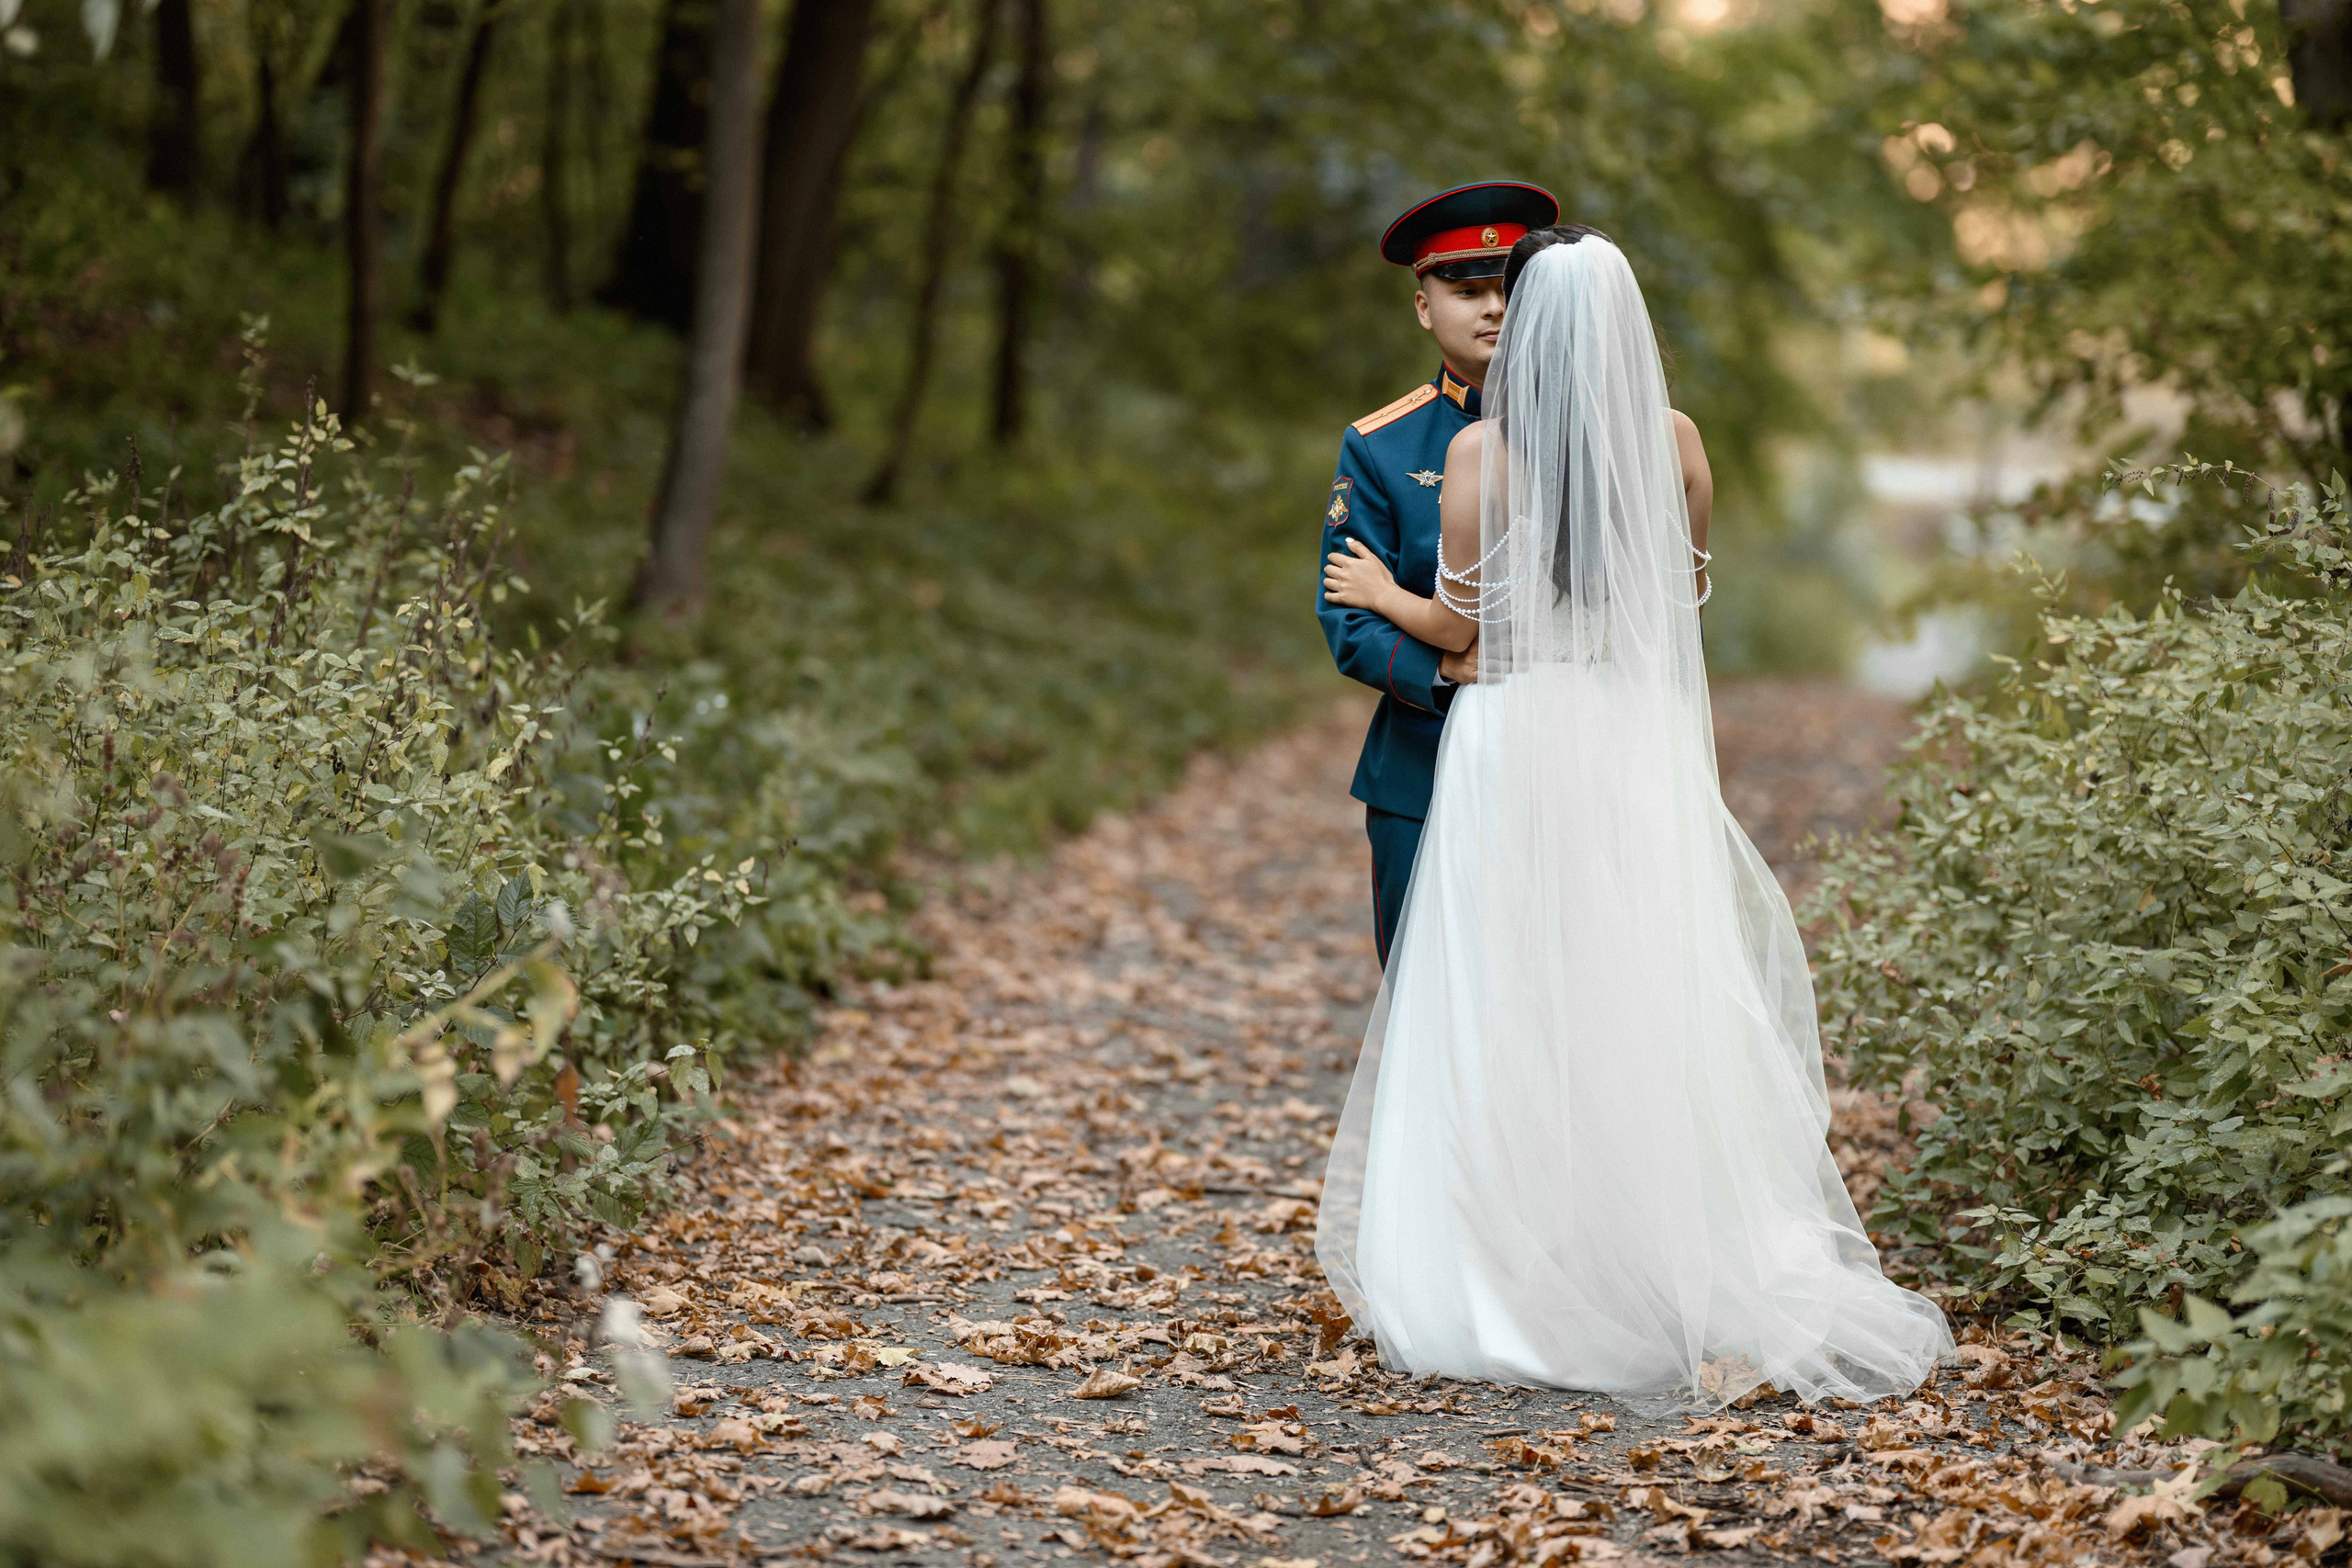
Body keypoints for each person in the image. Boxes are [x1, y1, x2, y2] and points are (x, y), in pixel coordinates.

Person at [1314, 226, 1953, 1411]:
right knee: (1635, 988)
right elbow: (1675, 591)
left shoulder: (1477, 458)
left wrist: (1383, 592)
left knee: (1504, 1000)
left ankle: (1507, 1268)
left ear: (1535, 327)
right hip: (1624, 735)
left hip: (1515, 734)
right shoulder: (1677, 444)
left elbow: (1468, 634)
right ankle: (1655, 1253)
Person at [1316, 180, 1561, 968]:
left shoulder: (1600, 434)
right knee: (1428, 995)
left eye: (1508, 288)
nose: (1492, 308)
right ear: (1425, 307)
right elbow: (1349, 616)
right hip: (1421, 767)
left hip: (1562, 768)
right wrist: (1448, 666)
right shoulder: (1381, 445)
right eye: (1466, 289)